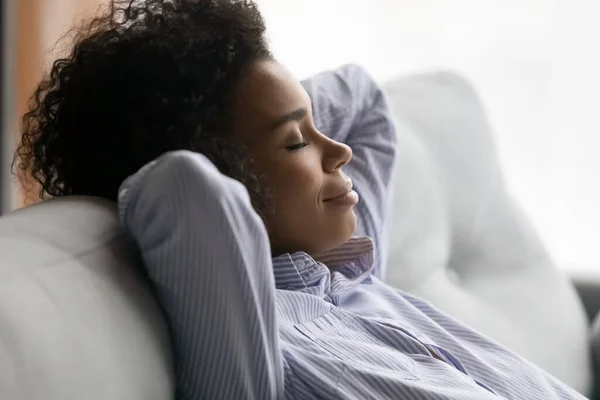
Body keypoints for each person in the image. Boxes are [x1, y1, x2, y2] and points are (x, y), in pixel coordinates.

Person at [14, 0, 586, 399]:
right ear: (231, 181)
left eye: (316, 130)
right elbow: (182, 188)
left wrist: (273, 117)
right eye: (297, 142)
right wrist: (219, 140)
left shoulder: (356, 275)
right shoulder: (253, 351)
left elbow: (364, 99)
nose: (338, 151)